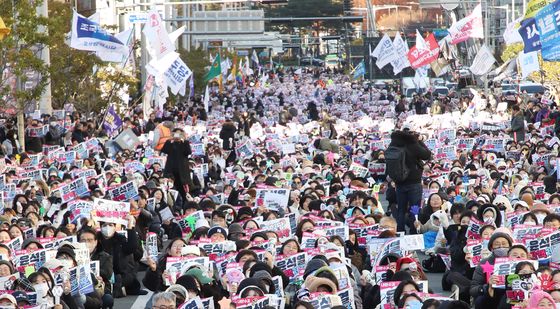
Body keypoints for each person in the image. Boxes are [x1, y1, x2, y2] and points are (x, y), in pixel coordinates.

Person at [387, 128, 432, 232]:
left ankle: (400, 231)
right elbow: (427, 155)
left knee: (401, 209)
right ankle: (413, 231)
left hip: (399, 182)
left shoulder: (393, 144)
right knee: (414, 209)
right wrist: (419, 140)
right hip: (414, 182)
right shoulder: (412, 144)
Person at [161, 128, 192, 201]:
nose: (177, 135)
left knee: (184, 191)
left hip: (182, 171)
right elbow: (164, 150)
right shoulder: (170, 143)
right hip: (171, 170)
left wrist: (184, 139)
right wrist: (170, 139)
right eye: (176, 133)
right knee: (171, 189)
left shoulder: (185, 143)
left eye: (179, 134)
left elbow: (188, 152)